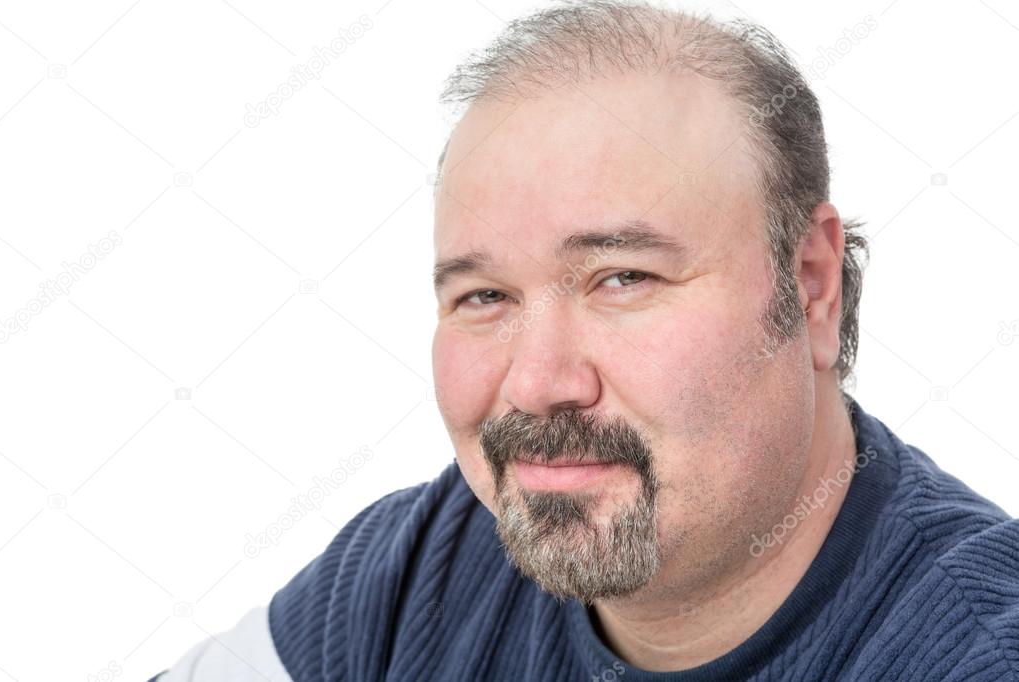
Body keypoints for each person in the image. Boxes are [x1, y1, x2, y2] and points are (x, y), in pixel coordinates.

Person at [149, 1, 1019, 680]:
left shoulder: (980, 650)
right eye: (484, 295)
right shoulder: (419, 571)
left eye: (622, 278)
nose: (537, 382)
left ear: (811, 287)